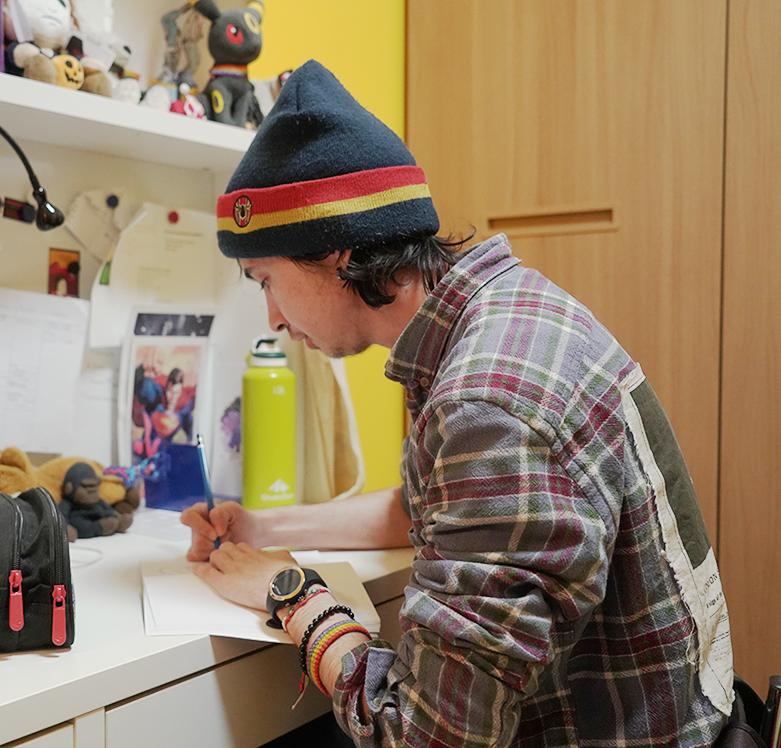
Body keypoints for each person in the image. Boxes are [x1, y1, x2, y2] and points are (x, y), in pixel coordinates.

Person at [180, 60, 734, 747]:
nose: (271, 315)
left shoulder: (485, 405)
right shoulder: (506, 312)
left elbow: (426, 737)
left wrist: (293, 597)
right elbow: (425, 510)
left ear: (340, 252)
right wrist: (263, 530)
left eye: (266, 279)